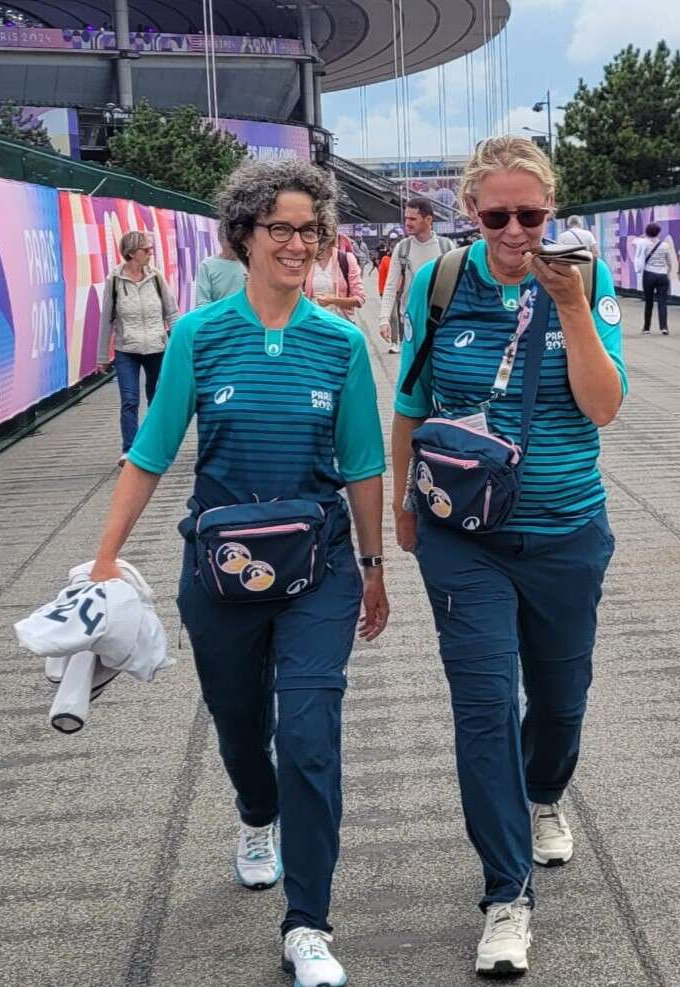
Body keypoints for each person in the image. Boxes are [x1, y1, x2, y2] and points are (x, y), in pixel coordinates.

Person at [87, 159, 389, 987]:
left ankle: (309, 924)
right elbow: (150, 449)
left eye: (311, 231)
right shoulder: (198, 334)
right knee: (237, 720)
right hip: (219, 570)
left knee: (309, 734)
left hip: (318, 564)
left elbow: (362, 462)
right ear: (244, 236)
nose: (299, 244)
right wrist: (108, 551)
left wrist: (372, 565)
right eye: (282, 229)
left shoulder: (339, 343)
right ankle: (257, 815)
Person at [390, 136, 627, 978]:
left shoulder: (587, 280)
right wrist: (400, 503)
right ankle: (503, 894)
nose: (517, 230)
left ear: (552, 209)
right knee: (484, 704)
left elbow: (603, 408)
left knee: (559, 701)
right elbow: (413, 398)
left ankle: (545, 791)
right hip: (464, 535)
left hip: (565, 530)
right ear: (471, 213)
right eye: (498, 215)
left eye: (532, 213)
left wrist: (567, 306)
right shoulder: (440, 281)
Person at [98, 231, 178, 458]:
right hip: (127, 350)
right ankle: (130, 450)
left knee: (157, 399)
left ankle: (154, 445)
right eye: (146, 250)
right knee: (129, 400)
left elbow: (172, 313)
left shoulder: (156, 278)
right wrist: (102, 356)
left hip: (156, 347)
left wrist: (179, 344)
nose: (150, 253)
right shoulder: (114, 280)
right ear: (132, 253)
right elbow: (107, 320)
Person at [379, 197, 456, 355]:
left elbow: (457, 285)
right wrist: (384, 319)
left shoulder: (446, 247)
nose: (407, 223)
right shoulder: (402, 248)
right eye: (406, 218)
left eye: (413, 218)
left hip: (442, 321)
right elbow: (391, 286)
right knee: (413, 371)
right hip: (410, 320)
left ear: (428, 219)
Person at [304, 235, 365, 323]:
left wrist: (333, 300)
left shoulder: (346, 259)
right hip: (313, 323)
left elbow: (359, 299)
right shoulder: (306, 261)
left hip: (339, 322)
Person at [636, 222, 679, 335]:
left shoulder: (644, 244)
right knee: (662, 302)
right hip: (662, 275)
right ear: (659, 233)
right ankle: (664, 327)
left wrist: (643, 237)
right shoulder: (665, 246)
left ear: (647, 232)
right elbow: (669, 262)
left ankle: (646, 328)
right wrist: (667, 271)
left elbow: (635, 245)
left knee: (649, 302)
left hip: (649, 274)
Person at [193, 241, 248, 308]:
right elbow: (202, 304)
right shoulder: (208, 265)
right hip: (218, 317)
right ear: (221, 241)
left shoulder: (252, 264)